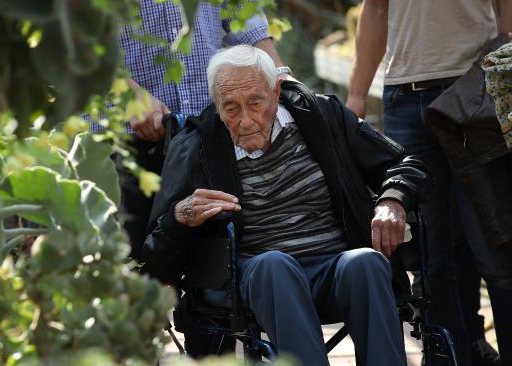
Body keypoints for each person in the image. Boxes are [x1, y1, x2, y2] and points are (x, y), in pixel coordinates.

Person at [142, 45, 429, 366]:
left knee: (366, 262)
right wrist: (180, 218)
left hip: (332, 271)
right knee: (275, 266)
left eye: (255, 102)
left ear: (276, 91)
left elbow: (403, 162)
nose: (246, 120)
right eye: (231, 108)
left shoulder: (321, 116)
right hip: (257, 281)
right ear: (217, 107)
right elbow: (155, 259)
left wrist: (393, 198)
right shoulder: (195, 148)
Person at [107, 1, 293, 357]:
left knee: (212, 266)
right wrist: (126, 92)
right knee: (135, 275)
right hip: (125, 133)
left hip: (204, 126)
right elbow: (75, 32)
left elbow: (244, 17)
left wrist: (279, 71)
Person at [347, 1, 512, 365]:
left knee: (494, 244)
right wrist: (357, 95)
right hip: (403, 97)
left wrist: (502, 63)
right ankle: (449, 356)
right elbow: (374, 10)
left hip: (475, 88)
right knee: (432, 254)